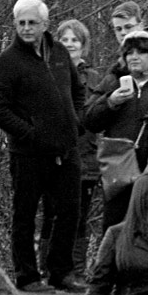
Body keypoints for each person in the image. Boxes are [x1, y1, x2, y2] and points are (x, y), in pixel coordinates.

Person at [0, 0, 84, 292]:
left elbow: (78, 92)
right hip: (28, 153)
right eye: (21, 23)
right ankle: (27, 276)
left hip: (66, 148)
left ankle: (60, 272)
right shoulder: (8, 62)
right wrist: (30, 133)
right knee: (25, 214)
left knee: (69, 211)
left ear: (45, 24)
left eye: (32, 23)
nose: (27, 28)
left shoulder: (59, 53)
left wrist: (75, 123)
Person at [84, 27, 148, 223]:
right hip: (119, 171)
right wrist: (110, 102)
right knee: (115, 228)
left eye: (141, 52)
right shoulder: (112, 81)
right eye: (129, 53)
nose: (134, 57)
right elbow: (89, 120)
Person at [57, 18, 103, 278]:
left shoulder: (95, 78)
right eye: (64, 40)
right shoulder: (49, 72)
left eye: (74, 40)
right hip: (55, 154)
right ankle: (53, 268)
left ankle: (76, 270)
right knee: (54, 215)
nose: (70, 44)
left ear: (83, 45)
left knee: (80, 216)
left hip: (87, 157)